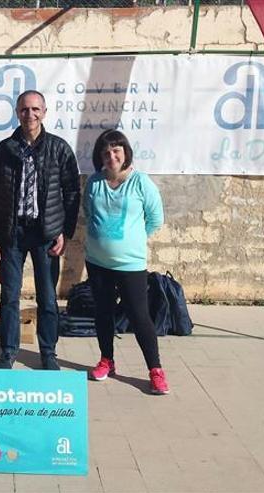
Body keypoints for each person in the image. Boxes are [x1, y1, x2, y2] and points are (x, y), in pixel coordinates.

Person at [0, 90, 81, 370]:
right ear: (17, 113)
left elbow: (72, 191)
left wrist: (64, 231)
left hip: (45, 233)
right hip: (13, 233)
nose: (30, 114)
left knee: (48, 298)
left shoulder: (59, 148)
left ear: (45, 112)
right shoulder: (5, 149)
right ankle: (8, 352)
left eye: (36, 109)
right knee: (9, 296)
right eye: (25, 109)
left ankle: (48, 352)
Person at [84, 129, 169, 394]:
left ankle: (155, 370)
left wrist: (133, 241)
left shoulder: (141, 182)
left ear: (125, 152)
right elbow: (88, 212)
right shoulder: (94, 183)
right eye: (106, 152)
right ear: (100, 156)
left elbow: (155, 218)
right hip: (97, 263)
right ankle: (107, 360)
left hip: (131, 265)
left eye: (116, 150)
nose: (112, 156)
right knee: (103, 313)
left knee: (139, 316)